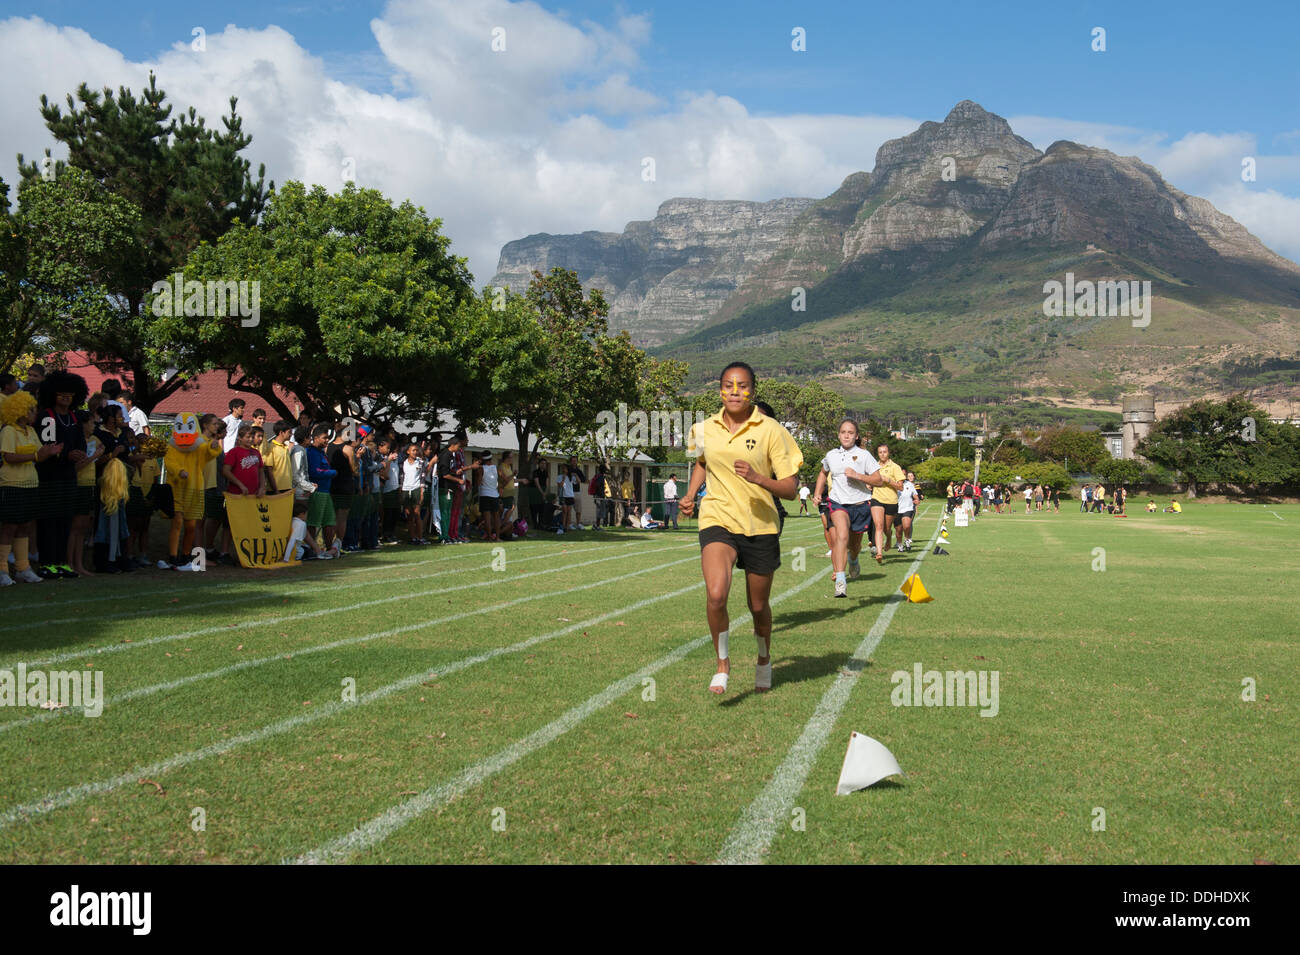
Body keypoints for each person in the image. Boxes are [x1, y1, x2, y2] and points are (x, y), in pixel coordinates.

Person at [680, 362, 802, 695]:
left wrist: (758, 478)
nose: (736, 392)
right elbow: (702, 462)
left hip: (760, 524)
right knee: (716, 594)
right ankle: (722, 664)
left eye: (743, 386)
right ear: (719, 389)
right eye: (729, 385)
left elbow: (790, 489)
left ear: (753, 390)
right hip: (717, 518)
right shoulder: (703, 429)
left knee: (758, 606)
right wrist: (691, 495)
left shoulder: (771, 430)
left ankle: (764, 659)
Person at [814, 420, 889, 597]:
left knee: (855, 545)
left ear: (856, 436)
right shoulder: (831, 455)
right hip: (837, 503)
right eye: (843, 432)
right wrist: (818, 493)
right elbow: (822, 473)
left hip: (860, 505)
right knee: (841, 535)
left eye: (850, 432)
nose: (846, 435)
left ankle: (853, 560)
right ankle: (840, 580)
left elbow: (878, 480)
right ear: (838, 435)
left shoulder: (864, 455)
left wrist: (858, 476)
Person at [0, 390, 60, 585]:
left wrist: (51, 451)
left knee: (25, 525)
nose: (35, 413)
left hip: (30, 483)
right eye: (32, 410)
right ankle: (2, 569)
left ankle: (22, 568)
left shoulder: (31, 431)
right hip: (11, 484)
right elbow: (7, 456)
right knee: (10, 526)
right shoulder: (8, 430)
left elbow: (39, 452)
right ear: (22, 411)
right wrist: (36, 456)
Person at [35, 371, 89, 580]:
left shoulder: (74, 418)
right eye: (61, 394)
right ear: (52, 394)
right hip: (50, 476)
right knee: (49, 520)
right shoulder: (47, 417)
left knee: (65, 520)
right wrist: (67, 454)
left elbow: (80, 443)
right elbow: (48, 447)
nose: (66, 398)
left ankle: (61, 562)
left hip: (69, 477)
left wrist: (79, 453)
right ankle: (47, 563)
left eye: (70, 394)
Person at [306, 424, 339, 555]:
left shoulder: (321, 453)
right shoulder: (311, 452)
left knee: (329, 521)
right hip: (317, 492)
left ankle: (330, 548)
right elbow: (314, 472)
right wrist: (332, 473)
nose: (327, 441)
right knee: (313, 522)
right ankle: (311, 549)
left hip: (326, 491)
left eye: (328, 438)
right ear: (316, 438)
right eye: (324, 438)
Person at [869, 444, 907, 561]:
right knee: (878, 526)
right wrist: (869, 484)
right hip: (876, 498)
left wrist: (888, 480)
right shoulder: (874, 466)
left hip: (891, 501)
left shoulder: (895, 467)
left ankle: (889, 537)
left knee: (886, 528)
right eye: (880, 452)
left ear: (888, 453)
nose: (882, 454)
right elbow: (870, 480)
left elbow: (900, 487)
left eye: (884, 452)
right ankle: (879, 553)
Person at [401, 443, 427, 544]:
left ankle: (420, 537)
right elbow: (402, 477)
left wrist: (421, 491)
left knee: (417, 514)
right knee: (409, 515)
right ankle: (412, 537)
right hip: (406, 489)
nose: (415, 452)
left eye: (416, 450)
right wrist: (401, 490)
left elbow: (422, 477)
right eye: (413, 450)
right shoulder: (404, 463)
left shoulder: (420, 462)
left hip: (416, 488)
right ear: (408, 452)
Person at [478, 450, 502, 541]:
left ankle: (489, 537)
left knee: (487, 518)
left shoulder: (481, 468)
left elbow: (478, 482)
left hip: (484, 494)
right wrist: (500, 488)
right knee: (496, 517)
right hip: (494, 495)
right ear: (491, 458)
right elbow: (503, 479)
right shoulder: (496, 468)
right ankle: (498, 537)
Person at [896, 470, 919, 552]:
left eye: (904, 474)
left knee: (907, 526)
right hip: (897, 509)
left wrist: (916, 500)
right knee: (898, 530)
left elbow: (915, 496)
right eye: (901, 474)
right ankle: (899, 544)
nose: (903, 475)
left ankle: (906, 539)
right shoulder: (893, 484)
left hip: (908, 508)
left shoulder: (909, 484)